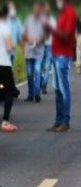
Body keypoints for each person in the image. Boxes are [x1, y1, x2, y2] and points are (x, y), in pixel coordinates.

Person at [44, 0, 77, 132]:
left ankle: (65, 121)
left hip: (63, 55)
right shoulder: (62, 13)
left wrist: (52, 29)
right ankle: (58, 121)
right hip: (56, 54)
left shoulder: (70, 13)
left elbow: (66, 35)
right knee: (57, 89)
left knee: (64, 89)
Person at [0, 4, 18, 133]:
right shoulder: (5, 28)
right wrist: (13, 45)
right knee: (10, 91)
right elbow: (9, 47)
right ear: (6, 15)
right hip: (4, 64)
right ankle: (5, 120)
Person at [23, 2, 46, 102]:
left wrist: (38, 40)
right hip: (29, 51)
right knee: (29, 73)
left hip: (38, 51)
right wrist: (28, 38)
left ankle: (37, 93)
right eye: (35, 9)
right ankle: (30, 94)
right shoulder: (28, 20)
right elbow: (23, 34)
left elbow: (45, 37)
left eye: (38, 9)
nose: (36, 11)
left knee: (37, 71)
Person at [41, 3, 57, 93]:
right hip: (41, 46)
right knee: (40, 66)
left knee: (46, 66)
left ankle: (44, 85)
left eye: (48, 9)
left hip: (50, 46)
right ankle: (41, 83)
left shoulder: (52, 21)